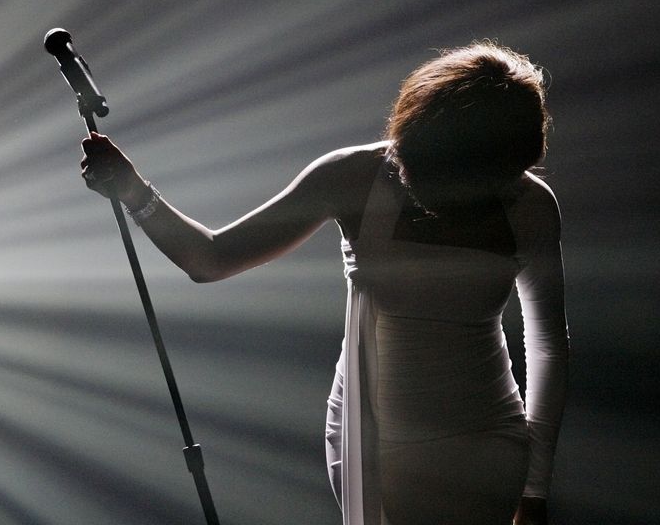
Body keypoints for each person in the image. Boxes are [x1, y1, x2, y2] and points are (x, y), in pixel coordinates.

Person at [79, 42, 569, 525]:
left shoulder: (530, 205)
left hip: (486, 444)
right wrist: (132, 191)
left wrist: (535, 488)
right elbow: (210, 259)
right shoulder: (353, 176)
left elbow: (548, 345)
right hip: (367, 439)